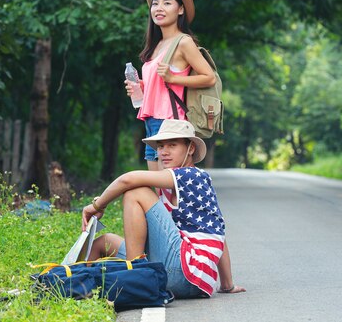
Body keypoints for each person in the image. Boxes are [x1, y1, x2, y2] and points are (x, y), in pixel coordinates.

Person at [81, 119, 245, 298]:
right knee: (104, 242)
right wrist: (227, 284)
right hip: (188, 276)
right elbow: (217, 232)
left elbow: (127, 180)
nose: (164, 152)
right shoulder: (175, 184)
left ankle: (134, 279)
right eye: (160, 146)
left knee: (136, 192)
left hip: (185, 271)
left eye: (172, 145)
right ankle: (73, 284)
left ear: (190, 149)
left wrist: (97, 205)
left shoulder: (191, 175)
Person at [126, 0, 216, 171]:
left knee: (170, 187)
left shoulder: (183, 42)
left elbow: (209, 77)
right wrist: (142, 87)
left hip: (170, 122)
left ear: (180, 10)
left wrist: (173, 78)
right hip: (151, 121)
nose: (159, 8)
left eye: (167, 3)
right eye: (155, 4)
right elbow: (162, 85)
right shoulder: (156, 45)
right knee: (159, 189)